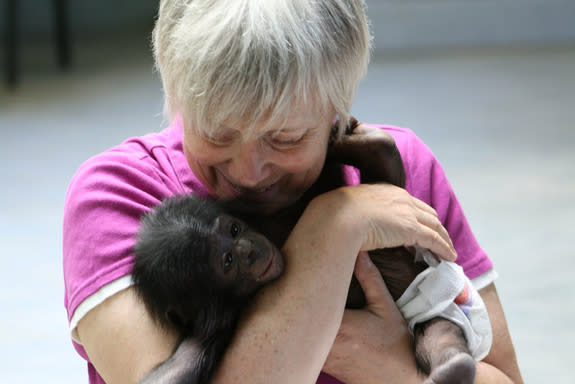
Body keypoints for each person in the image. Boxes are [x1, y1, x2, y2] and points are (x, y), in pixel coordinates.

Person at [62, 1, 523, 383]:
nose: (249, 170)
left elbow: (504, 377)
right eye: (216, 133)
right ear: (176, 100)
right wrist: (334, 225)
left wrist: (388, 365)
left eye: (285, 138)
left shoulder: (397, 169)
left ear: (336, 113)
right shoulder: (121, 196)